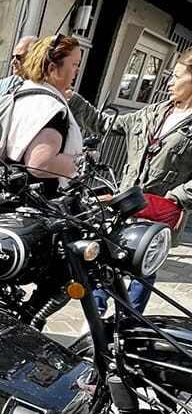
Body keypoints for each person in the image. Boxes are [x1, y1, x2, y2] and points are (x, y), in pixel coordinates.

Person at [68, 46, 192, 315]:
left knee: (143, 269)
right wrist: (73, 99)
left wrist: (177, 197)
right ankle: (96, 315)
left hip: (159, 211)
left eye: (177, 76)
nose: (169, 83)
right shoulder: (151, 113)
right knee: (109, 256)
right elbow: (103, 124)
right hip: (127, 204)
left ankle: (128, 319)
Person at [5, 33, 84, 198]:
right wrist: (83, 162)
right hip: (31, 212)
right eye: (74, 64)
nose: (77, 71)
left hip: (5, 200)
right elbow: (41, 164)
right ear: (52, 68)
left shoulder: (23, 94)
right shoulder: (51, 109)